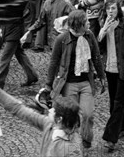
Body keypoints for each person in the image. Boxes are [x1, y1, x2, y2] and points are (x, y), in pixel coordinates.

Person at [44, 9, 105, 151]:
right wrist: (48, 85)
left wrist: (102, 77)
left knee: (88, 114)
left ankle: (86, 139)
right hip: (69, 83)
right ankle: (74, 145)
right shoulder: (62, 39)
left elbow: (96, 57)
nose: (89, 23)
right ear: (78, 25)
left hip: (85, 83)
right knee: (73, 117)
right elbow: (53, 62)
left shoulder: (89, 36)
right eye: (86, 21)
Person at [0, 79, 83, 156]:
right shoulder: (49, 125)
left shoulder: (72, 148)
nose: (50, 110)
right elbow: (20, 110)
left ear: (59, 119)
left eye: (53, 110)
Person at [98, 0, 124, 152]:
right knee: (113, 102)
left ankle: (110, 138)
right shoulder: (105, 23)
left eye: (113, 9)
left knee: (117, 104)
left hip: (123, 69)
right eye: (108, 9)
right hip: (110, 69)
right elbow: (98, 43)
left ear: (118, 10)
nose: (111, 11)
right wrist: (104, 29)